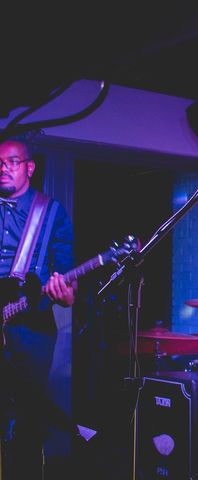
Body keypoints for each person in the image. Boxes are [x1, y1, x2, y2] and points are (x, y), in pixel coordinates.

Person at [0, 138, 78, 479]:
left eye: (12, 162)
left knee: (28, 414)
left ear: (29, 167)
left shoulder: (49, 212)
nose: (4, 168)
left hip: (29, 322)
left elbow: (68, 282)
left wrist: (65, 292)